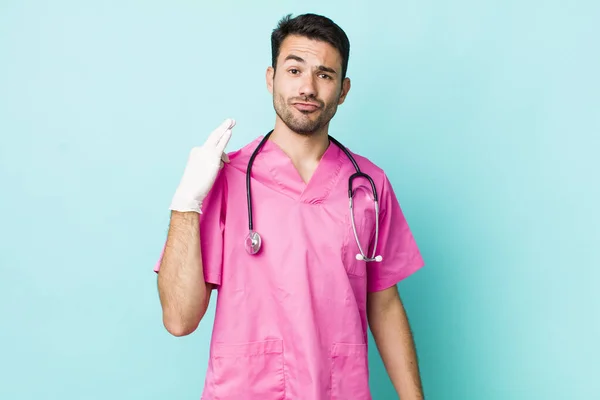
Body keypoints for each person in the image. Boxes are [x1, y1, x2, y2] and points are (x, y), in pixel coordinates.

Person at [154, 13, 425, 400]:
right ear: (271, 78)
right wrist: (186, 203)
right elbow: (179, 319)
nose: (308, 88)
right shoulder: (226, 179)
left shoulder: (368, 186)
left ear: (343, 90)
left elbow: (383, 305)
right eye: (294, 69)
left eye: (325, 75)